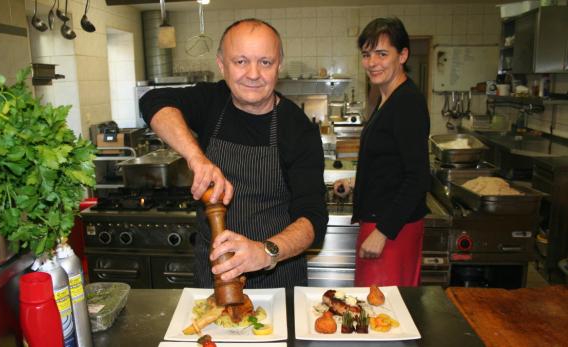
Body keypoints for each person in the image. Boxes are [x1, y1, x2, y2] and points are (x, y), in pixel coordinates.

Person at [140, 19, 327, 289]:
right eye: (240, 61)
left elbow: (313, 219)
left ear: (279, 65)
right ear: (221, 64)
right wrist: (197, 157)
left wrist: (265, 252)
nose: (253, 74)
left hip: (276, 280)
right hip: (213, 276)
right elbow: (152, 101)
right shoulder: (212, 101)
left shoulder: (298, 129)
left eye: (265, 62)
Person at [333, 17, 430, 287]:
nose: (372, 62)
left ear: (403, 55)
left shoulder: (407, 102)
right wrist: (355, 184)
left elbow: (417, 177)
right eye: (366, 54)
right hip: (381, 224)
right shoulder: (387, 98)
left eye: (382, 53)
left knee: (383, 316)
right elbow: (391, 163)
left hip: (392, 230)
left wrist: (382, 232)